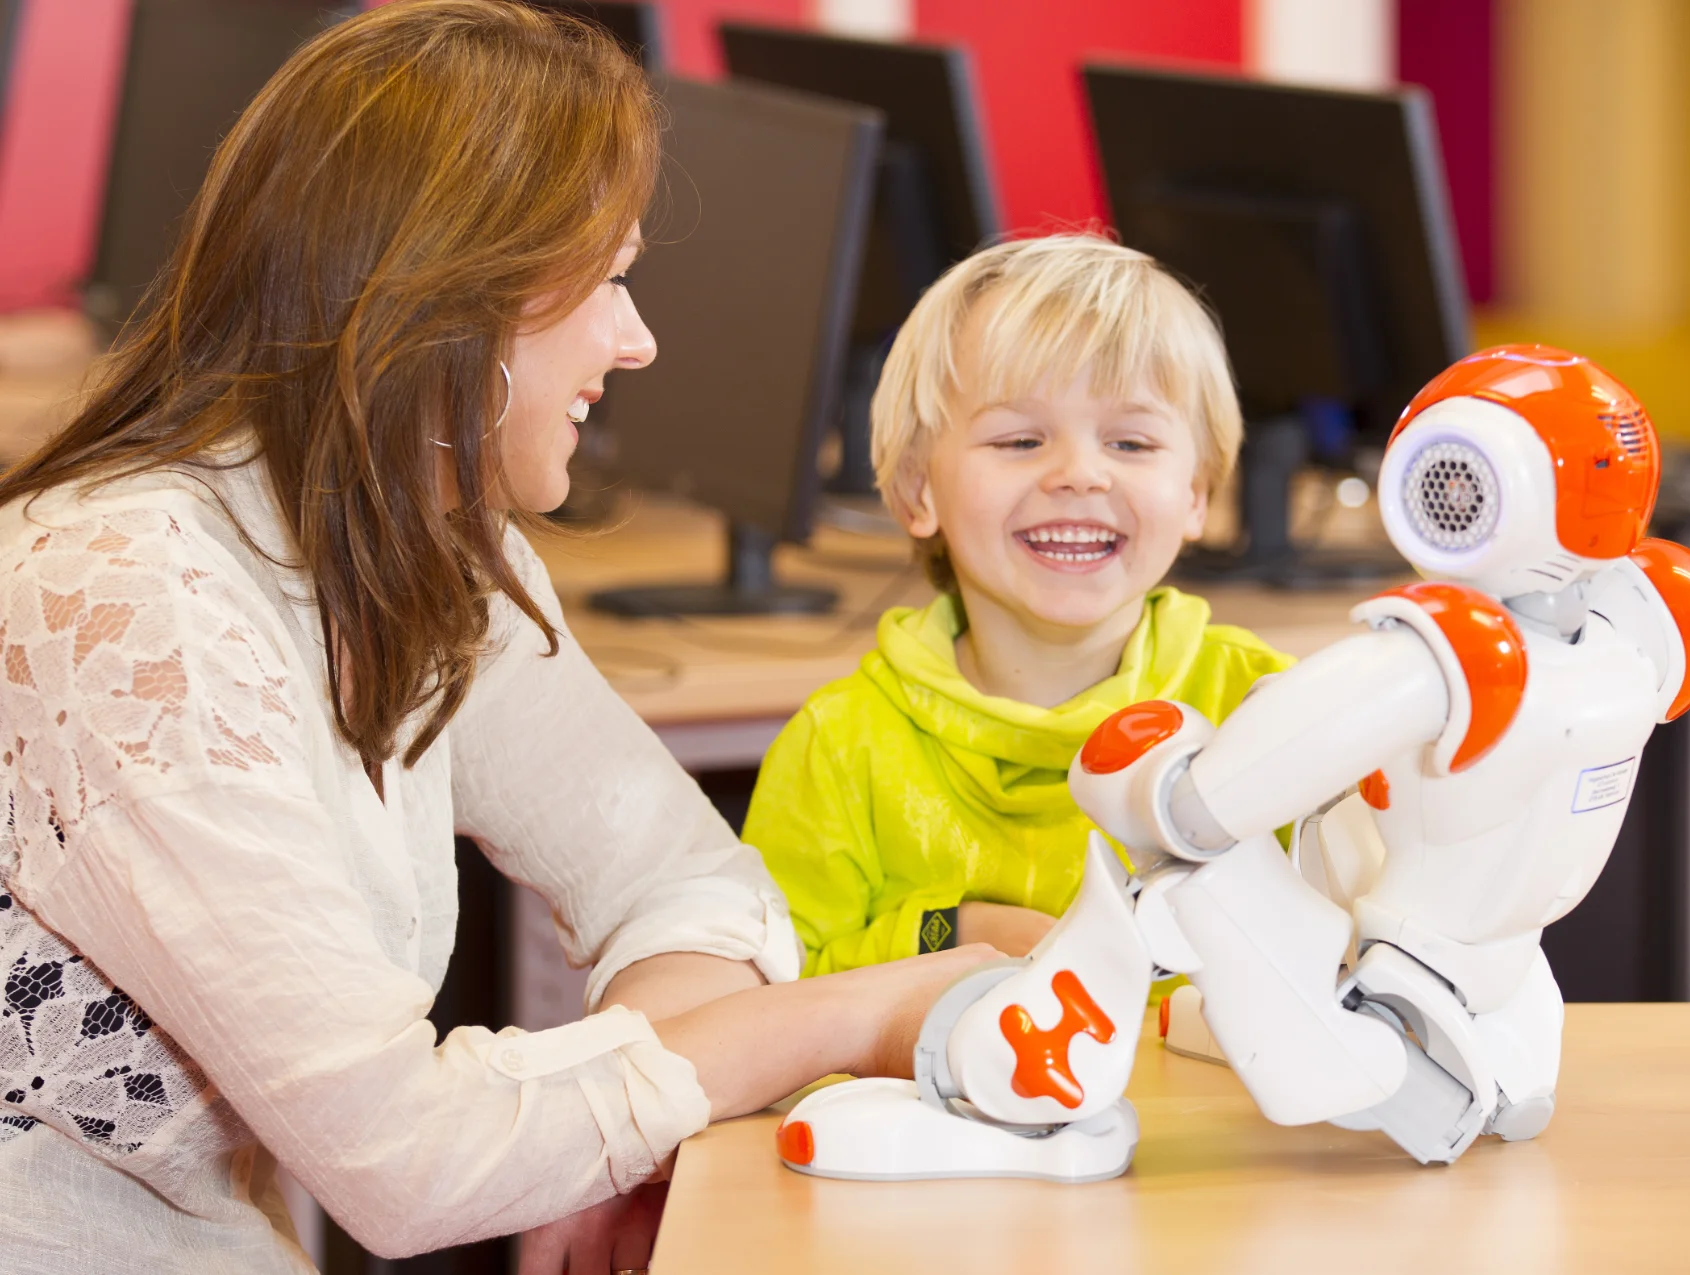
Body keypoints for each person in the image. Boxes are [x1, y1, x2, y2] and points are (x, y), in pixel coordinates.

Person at [0, 5, 991, 1273]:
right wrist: (862, 1013)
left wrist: (603, 1123)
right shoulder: (132, 605)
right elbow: (412, 1167)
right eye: (611, 278)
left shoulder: (424, 549)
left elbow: (679, 880)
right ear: (451, 297)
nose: (636, 340)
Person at [745, 234, 1292, 975]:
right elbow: (776, 1000)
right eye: (1020, 439)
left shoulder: (1271, 714)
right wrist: (947, 931)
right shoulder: (838, 749)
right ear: (917, 491)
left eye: (1131, 443)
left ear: (1196, 493)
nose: (1079, 473)